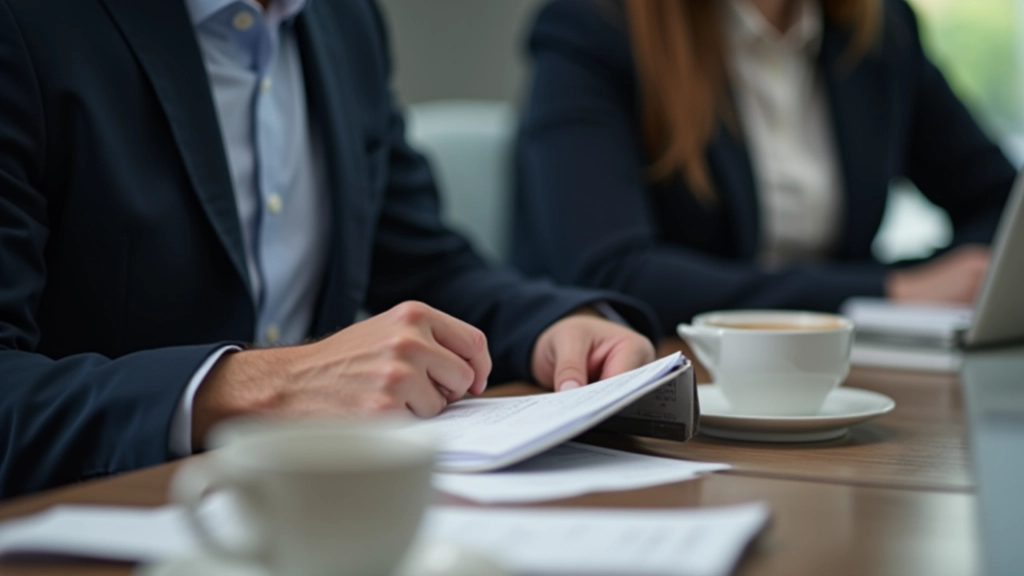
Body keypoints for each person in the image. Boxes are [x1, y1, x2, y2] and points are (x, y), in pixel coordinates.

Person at [0, 0, 660, 499]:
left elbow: (421, 261)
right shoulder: (29, 24)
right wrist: (254, 387)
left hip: (336, 508)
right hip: (122, 511)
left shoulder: (343, 21)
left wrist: (555, 324)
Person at [513, 0, 1017, 334]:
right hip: (664, 391)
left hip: (834, 385)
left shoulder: (880, 31)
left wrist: (937, 286)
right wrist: (889, 291)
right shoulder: (594, 24)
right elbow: (612, 273)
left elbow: (1001, 201)